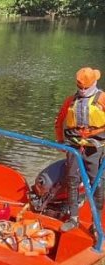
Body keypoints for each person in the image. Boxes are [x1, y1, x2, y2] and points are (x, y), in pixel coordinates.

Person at [54, 67, 105, 232]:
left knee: (96, 183)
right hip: (74, 146)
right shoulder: (71, 100)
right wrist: (61, 141)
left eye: (86, 87)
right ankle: (73, 218)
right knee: (72, 180)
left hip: (95, 148)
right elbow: (59, 120)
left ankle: (95, 223)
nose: (82, 90)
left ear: (94, 83)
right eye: (80, 87)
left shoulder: (102, 98)